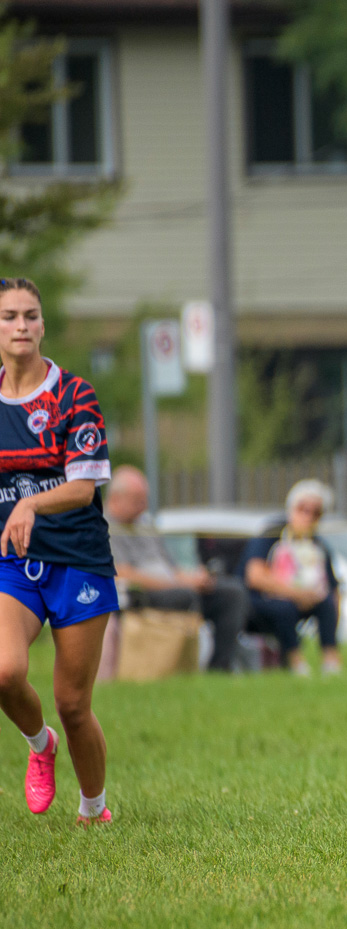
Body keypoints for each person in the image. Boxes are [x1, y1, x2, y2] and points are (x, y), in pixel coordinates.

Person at [0, 278, 118, 824]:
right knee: (3, 672)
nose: (20, 326)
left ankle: (93, 809)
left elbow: (83, 487)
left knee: (73, 704)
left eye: (29, 315)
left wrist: (30, 505)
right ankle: (37, 743)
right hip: (12, 563)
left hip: (76, 560)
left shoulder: (74, 394)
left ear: (43, 325)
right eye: (8, 317)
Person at [105, 464, 248, 672]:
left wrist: (194, 577)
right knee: (186, 595)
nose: (143, 507)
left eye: (145, 500)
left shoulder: (144, 525)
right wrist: (177, 582)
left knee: (231, 593)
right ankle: (185, 664)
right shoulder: (105, 527)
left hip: (175, 585)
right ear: (116, 499)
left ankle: (220, 667)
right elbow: (122, 573)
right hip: (140, 594)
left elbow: (170, 566)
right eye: (137, 501)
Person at [241, 479, 341, 676]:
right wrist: (296, 594)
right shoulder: (271, 535)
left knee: (327, 604)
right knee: (284, 608)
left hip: (304, 597)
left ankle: (331, 660)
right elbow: (255, 576)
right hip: (262, 600)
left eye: (316, 512)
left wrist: (318, 598)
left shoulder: (318, 545)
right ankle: (295, 662)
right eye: (303, 509)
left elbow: (332, 587)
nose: (308, 517)